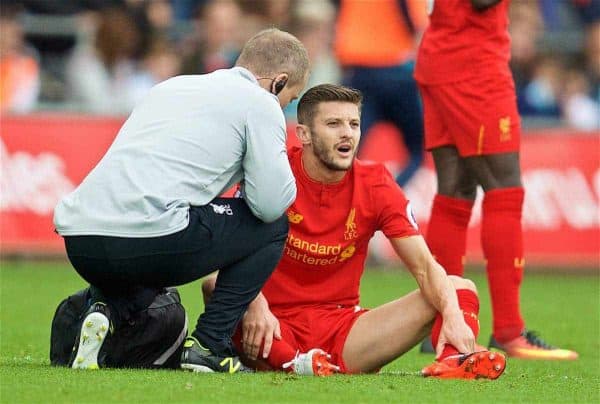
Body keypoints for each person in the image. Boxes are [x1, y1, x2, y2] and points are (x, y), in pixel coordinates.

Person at [202, 84, 506, 379]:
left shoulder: (375, 183)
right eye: (333, 123)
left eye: (354, 124)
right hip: (271, 323)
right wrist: (255, 303)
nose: (347, 132)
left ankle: (455, 358)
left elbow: (426, 268)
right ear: (304, 134)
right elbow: (223, 257)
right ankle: (295, 363)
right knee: (215, 285)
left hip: (344, 331)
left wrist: (452, 317)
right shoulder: (274, 175)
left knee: (459, 288)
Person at [53, 28, 310, 373]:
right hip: (147, 239)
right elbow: (269, 204)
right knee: (273, 227)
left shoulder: (170, 86)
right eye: (290, 98)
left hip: (81, 241)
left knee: (159, 236)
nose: (285, 106)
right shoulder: (261, 102)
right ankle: (209, 344)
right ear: (278, 82)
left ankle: (105, 310)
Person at [413, 0, 578, 359]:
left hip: (442, 55)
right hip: (473, 65)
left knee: (454, 191)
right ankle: (508, 329)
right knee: (504, 189)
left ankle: (443, 325)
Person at [334, 0, 426, 186]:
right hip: (395, 66)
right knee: (417, 150)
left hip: (357, 68)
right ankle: (385, 195)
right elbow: (411, 17)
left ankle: (337, 202)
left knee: (345, 148)